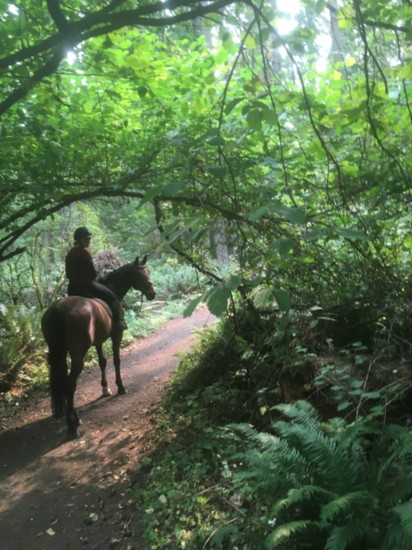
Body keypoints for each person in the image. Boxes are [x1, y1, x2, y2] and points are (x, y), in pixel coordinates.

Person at [65, 226, 127, 333]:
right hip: (87, 286)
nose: (89, 241)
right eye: (86, 239)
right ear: (79, 239)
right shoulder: (84, 252)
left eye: (89, 238)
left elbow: (68, 274)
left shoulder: (70, 253)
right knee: (113, 299)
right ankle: (117, 325)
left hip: (72, 288)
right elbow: (93, 274)